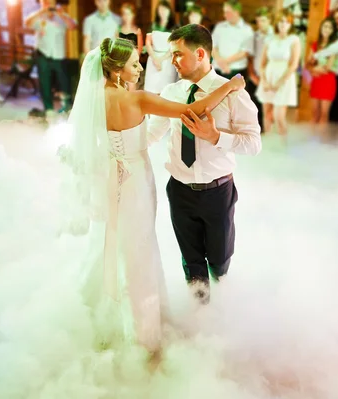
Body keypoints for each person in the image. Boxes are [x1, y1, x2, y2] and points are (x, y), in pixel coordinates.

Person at [61, 37, 245, 357]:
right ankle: (144, 328)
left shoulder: (92, 98)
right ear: (117, 71)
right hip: (134, 180)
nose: (140, 67)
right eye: (134, 63)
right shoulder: (138, 100)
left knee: (111, 241)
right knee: (139, 247)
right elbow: (192, 110)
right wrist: (228, 87)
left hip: (108, 176)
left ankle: (105, 311)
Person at [147, 24, 261, 305]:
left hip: (217, 193)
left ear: (200, 53)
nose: (171, 61)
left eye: (177, 54)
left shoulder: (233, 94)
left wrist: (216, 137)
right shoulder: (172, 91)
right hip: (180, 190)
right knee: (192, 264)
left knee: (220, 262)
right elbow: (153, 133)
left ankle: (223, 307)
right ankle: (201, 318)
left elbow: (254, 144)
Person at [256, 9, 301, 137]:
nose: (283, 24)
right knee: (267, 114)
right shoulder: (270, 39)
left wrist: (280, 82)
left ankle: (283, 147)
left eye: (287, 22)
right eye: (281, 21)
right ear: (277, 23)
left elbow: (294, 64)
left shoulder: (294, 39)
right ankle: (269, 145)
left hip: (284, 79)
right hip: (269, 77)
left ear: (291, 24)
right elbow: (262, 63)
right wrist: (264, 80)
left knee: (279, 116)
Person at [306, 17, 338, 130]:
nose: (326, 29)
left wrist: (314, 69)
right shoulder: (315, 45)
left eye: (330, 27)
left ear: (333, 30)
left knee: (324, 114)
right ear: (321, 28)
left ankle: (320, 143)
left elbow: (328, 67)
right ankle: (312, 140)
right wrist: (313, 69)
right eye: (325, 26)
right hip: (316, 80)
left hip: (328, 81)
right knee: (314, 113)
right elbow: (308, 64)